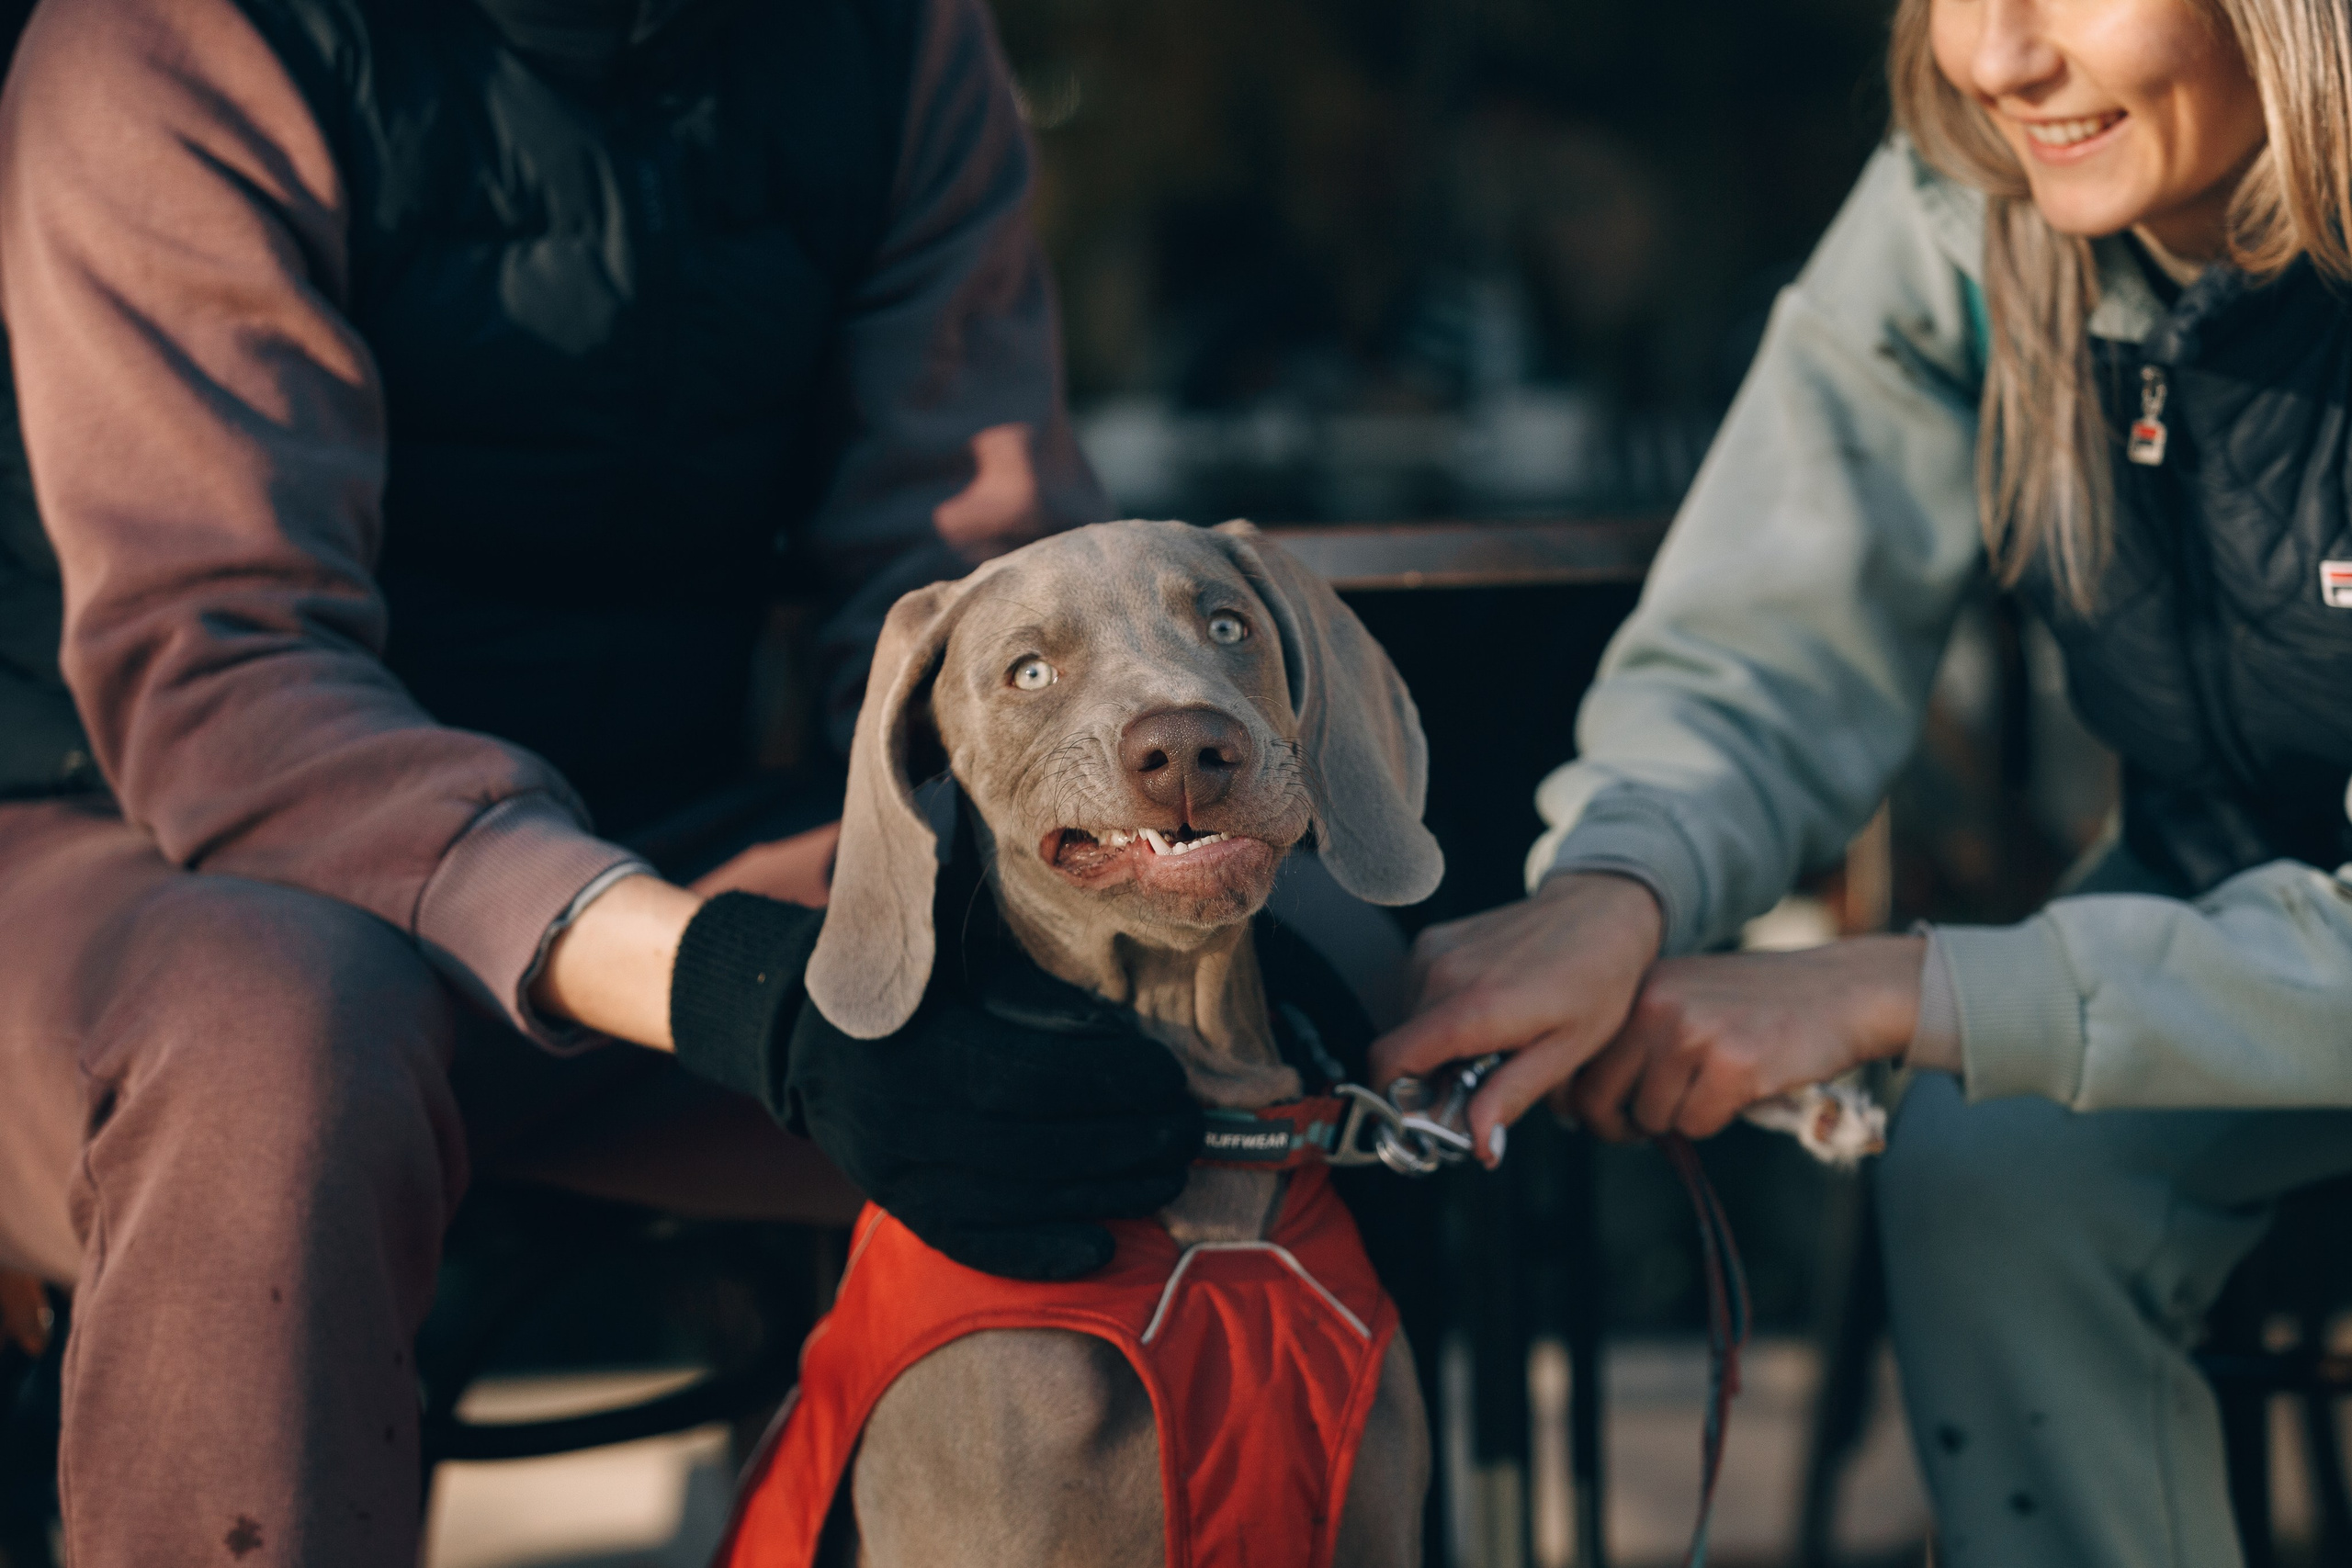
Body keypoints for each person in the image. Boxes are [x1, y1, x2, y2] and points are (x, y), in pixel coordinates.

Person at [0, 2, 1209, 1563]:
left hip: (665, 852)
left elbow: (966, 595)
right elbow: (221, 673)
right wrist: (723, 985)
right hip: (136, 858)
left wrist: (1046, 884)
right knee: (281, 1036)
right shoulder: (172, 40)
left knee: (1199, 992)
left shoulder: (899, 46)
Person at [1373, 0, 2352, 1562]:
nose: (1997, 59)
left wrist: (1906, 986)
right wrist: (1618, 884)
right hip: (2212, 897)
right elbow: (1774, 633)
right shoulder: (1969, 202)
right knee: (1991, 1172)